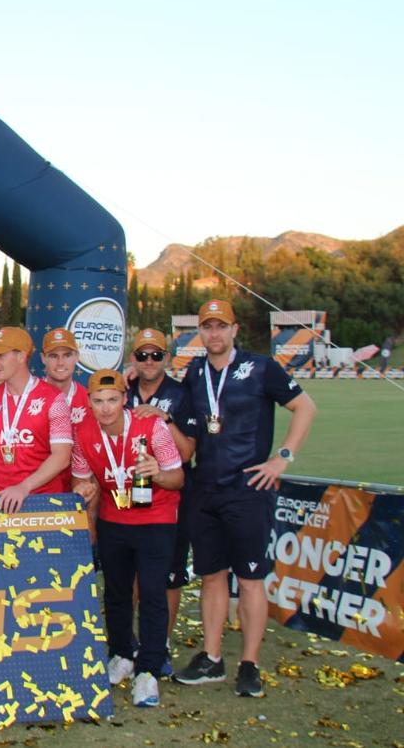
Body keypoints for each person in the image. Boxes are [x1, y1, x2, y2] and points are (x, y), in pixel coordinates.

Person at [172, 299, 317, 698]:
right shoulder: (195, 371)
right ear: (200, 332)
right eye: (207, 327)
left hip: (249, 488)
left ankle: (250, 663)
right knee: (212, 576)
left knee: (251, 579)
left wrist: (282, 459)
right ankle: (212, 657)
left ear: (235, 329)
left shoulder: (260, 367)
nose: (214, 334)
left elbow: (305, 407)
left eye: (221, 326)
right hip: (206, 487)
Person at [70, 369, 184, 708]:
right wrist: (84, 490)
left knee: (151, 592)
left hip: (155, 519)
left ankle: (148, 669)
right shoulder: (83, 433)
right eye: (98, 401)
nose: (105, 408)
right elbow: (82, 480)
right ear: (89, 402)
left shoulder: (152, 427)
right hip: (114, 518)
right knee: (117, 593)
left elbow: (178, 478)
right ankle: (121, 653)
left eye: (112, 400)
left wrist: (157, 473)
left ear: (125, 400)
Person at [126, 328, 196, 657]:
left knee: (167, 575)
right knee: (133, 574)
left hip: (167, 498)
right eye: (142, 355)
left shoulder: (180, 395)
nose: (149, 361)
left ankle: (162, 644)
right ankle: (135, 640)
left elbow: (186, 454)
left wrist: (164, 419)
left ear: (166, 358)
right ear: (133, 359)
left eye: (156, 355)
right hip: (125, 496)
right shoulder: (122, 391)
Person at [0, 327, 73, 513]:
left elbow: (62, 457)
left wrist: (23, 488)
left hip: (44, 503)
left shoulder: (54, 399)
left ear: (21, 356)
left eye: (1, 356)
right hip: (1, 501)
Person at [41, 327, 90, 426]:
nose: (60, 363)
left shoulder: (88, 399)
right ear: (43, 358)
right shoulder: (29, 396)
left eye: (67, 355)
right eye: (53, 356)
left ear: (76, 357)